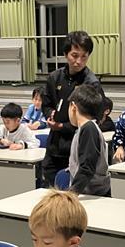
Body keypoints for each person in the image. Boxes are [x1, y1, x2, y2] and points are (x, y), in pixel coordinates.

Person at [41, 31, 103, 187]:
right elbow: (46, 104)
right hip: (54, 147)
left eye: (84, 57)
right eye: (74, 56)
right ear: (65, 54)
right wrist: (50, 114)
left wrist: (63, 126)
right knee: (50, 190)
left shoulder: (91, 83)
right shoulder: (54, 77)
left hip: (77, 147)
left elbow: (95, 118)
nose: (79, 61)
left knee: (71, 193)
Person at [68, 84, 110, 196]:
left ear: (73, 106)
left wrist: (70, 195)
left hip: (93, 194)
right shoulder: (84, 128)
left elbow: (87, 168)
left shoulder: (89, 128)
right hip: (86, 193)